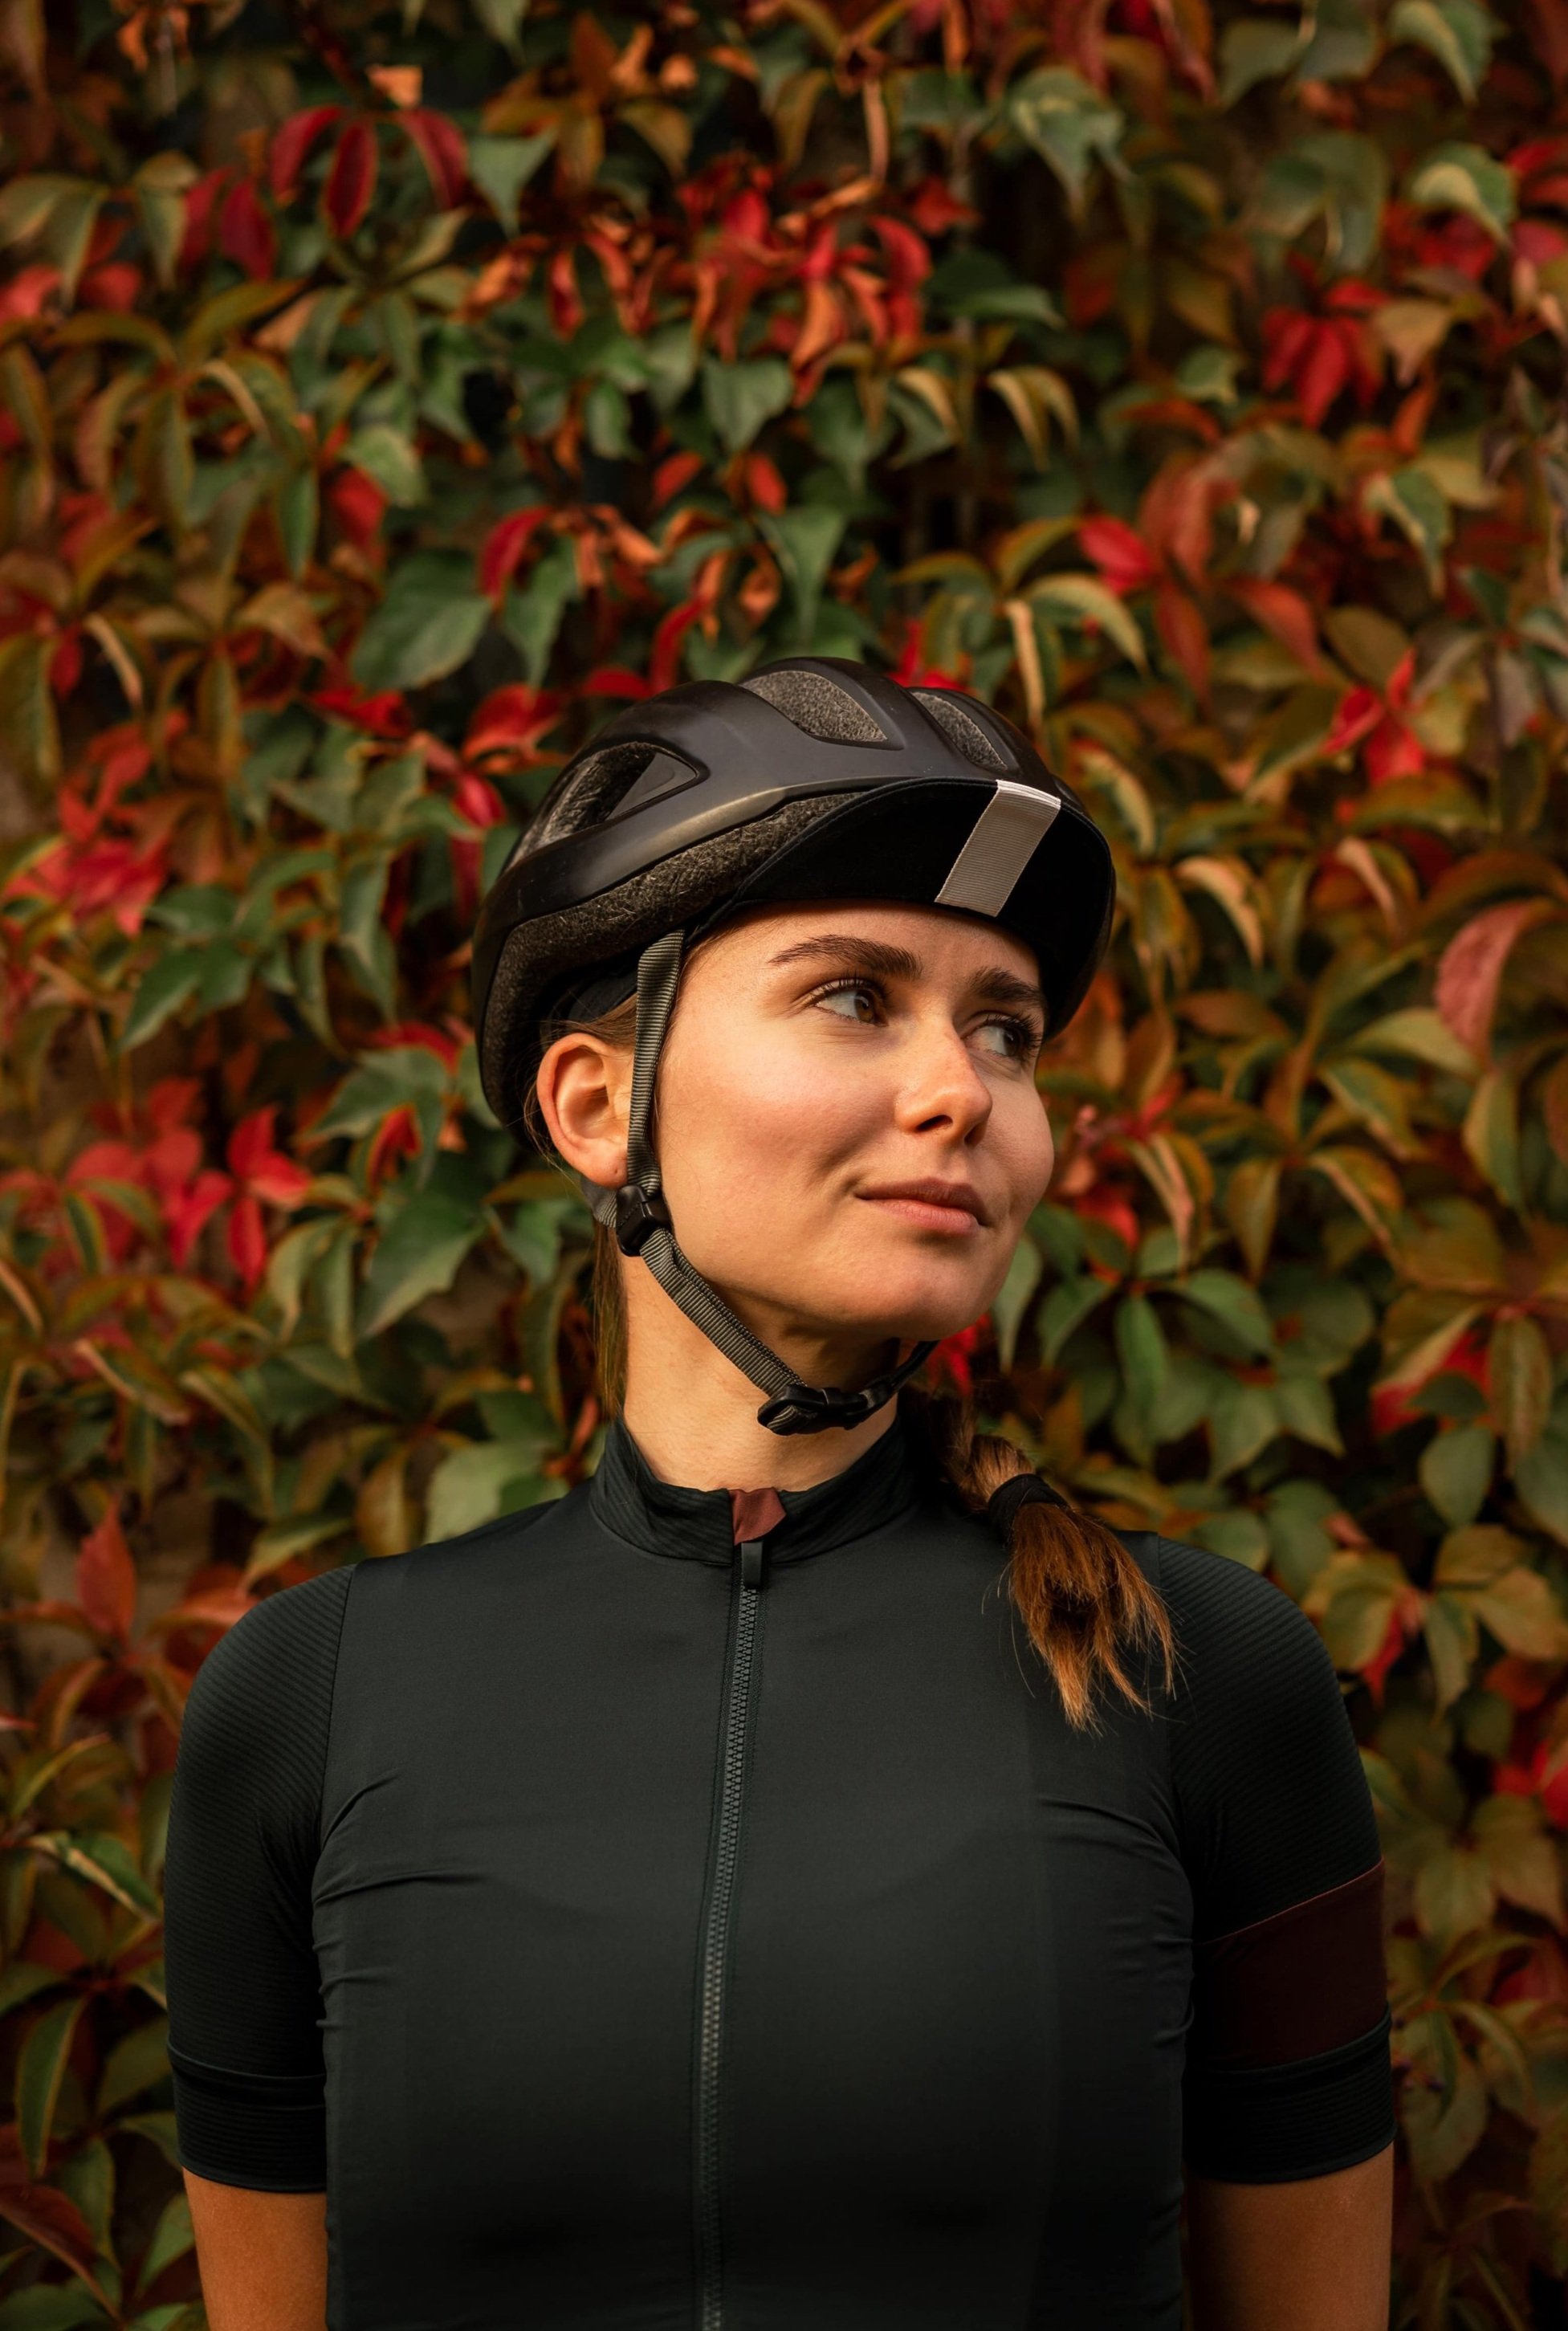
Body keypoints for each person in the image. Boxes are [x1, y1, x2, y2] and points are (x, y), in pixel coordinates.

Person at [163, 659, 1395, 2331]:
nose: (962, 1088)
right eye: (851, 996)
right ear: (598, 1105)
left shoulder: (1205, 1680)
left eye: (1003, 1028)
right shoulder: (305, 1707)